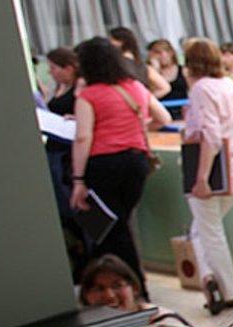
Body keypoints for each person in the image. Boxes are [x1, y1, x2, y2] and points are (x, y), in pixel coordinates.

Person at [69, 37, 172, 300]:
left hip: (103, 165)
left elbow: (83, 138)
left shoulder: (88, 95)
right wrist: (130, 131)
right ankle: (126, 288)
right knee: (120, 225)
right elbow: (163, 117)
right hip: (136, 163)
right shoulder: (134, 86)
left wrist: (78, 180)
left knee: (110, 231)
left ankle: (130, 290)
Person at [181, 38, 233, 315]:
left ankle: (228, 291)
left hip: (213, 171)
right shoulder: (228, 84)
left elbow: (211, 136)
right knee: (200, 230)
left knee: (209, 233)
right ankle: (210, 280)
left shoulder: (201, 89)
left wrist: (202, 178)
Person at [43, 47, 86, 280]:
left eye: (54, 68)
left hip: (68, 152)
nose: (51, 73)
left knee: (73, 206)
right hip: (54, 148)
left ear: (68, 68)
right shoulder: (58, 88)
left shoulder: (80, 87)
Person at [107, 27, 170, 99]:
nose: (109, 43)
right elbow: (165, 87)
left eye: (111, 39)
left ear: (120, 42)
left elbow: (165, 87)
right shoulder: (142, 66)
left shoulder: (117, 65)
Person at [78, 254, 147, 311]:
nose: (109, 296)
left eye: (117, 286)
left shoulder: (154, 322)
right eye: (99, 289)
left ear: (134, 288)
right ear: (85, 295)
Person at [147, 39, 189, 118]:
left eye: (160, 53)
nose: (158, 57)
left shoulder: (183, 71)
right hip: (161, 113)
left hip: (181, 111)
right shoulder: (151, 74)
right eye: (155, 54)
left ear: (171, 53)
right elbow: (150, 93)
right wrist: (155, 71)